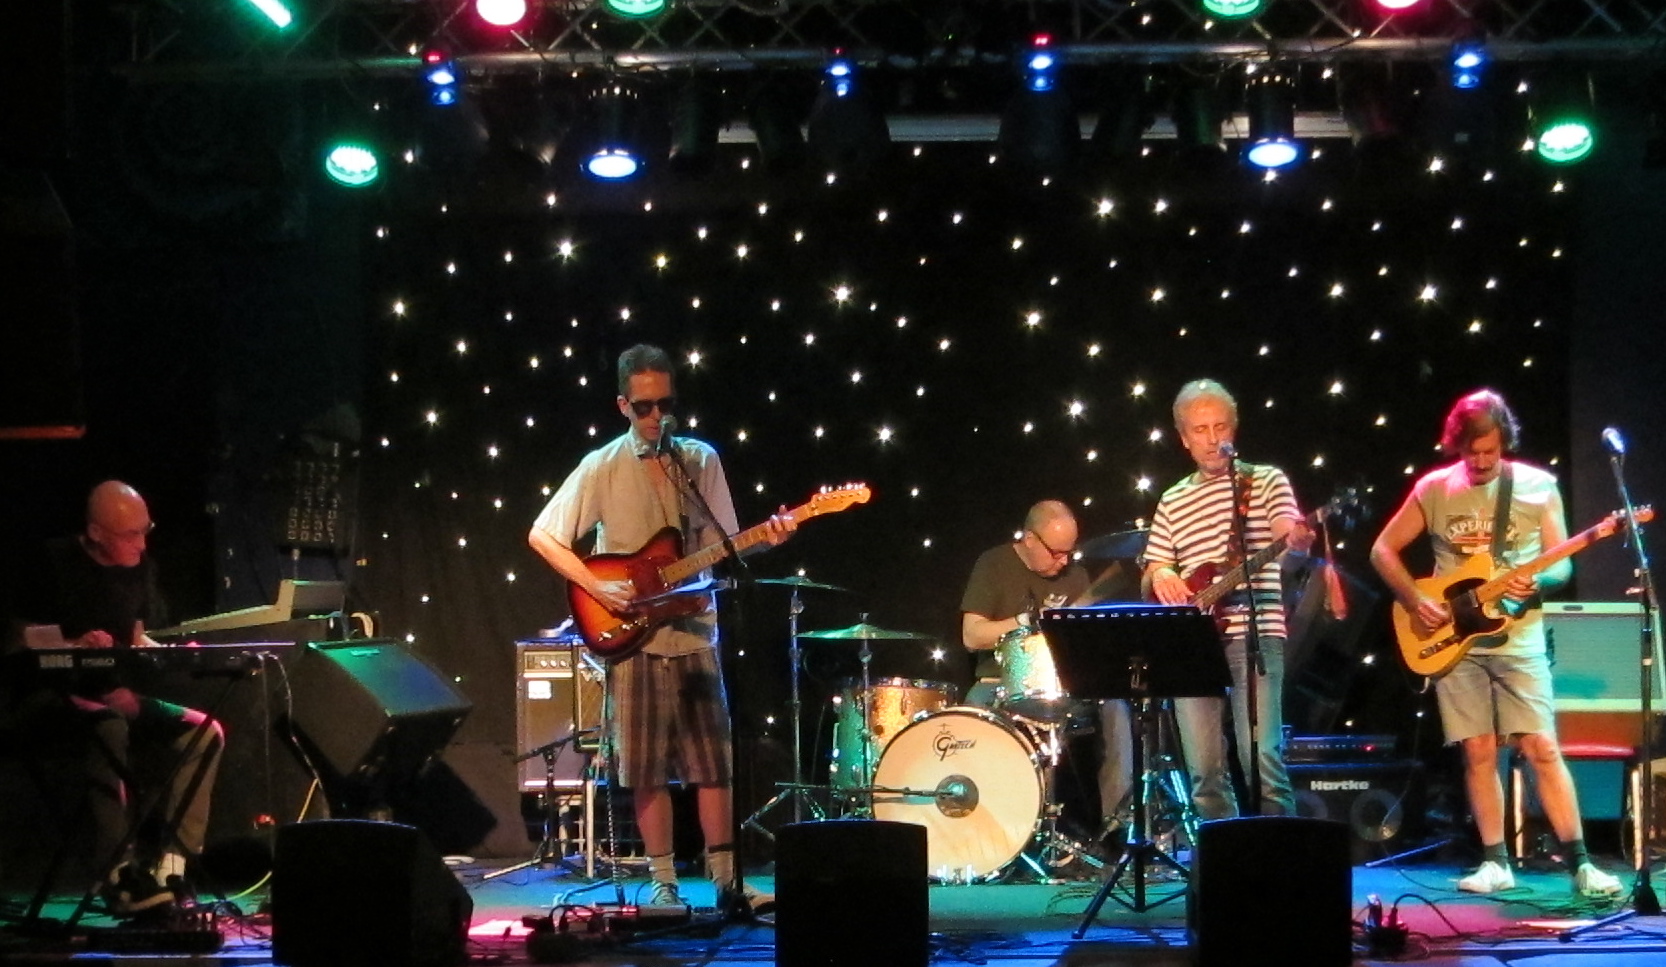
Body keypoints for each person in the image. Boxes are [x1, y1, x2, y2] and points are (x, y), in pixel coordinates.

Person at [528, 344, 794, 914]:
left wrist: (766, 538)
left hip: (694, 629)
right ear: (623, 405)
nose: (656, 417)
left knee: (713, 765)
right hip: (632, 637)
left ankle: (727, 882)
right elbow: (543, 535)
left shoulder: (700, 460)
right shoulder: (601, 465)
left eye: (666, 405)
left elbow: (723, 545)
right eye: (644, 406)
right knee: (645, 768)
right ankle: (663, 883)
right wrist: (599, 588)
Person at [1369, 389, 1623, 897]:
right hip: (1453, 639)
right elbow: (1382, 550)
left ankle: (1581, 865)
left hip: (1518, 636)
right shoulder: (1434, 488)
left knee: (1541, 746)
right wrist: (1414, 599)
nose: (1483, 461)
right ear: (1456, 445)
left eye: (1491, 450)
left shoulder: (1538, 485)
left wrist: (1540, 581)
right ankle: (1494, 862)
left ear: (1504, 441)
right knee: (1478, 750)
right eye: (1473, 452)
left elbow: (1561, 563)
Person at [19, 480, 225, 916]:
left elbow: (136, 636)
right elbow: (20, 640)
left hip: (113, 695)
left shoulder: (140, 567)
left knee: (206, 733)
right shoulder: (51, 562)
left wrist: (169, 653)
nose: (142, 544)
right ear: (95, 533)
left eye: (145, 530)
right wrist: (74, 645)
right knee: (108, 724)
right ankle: (116, 873)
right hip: (46, 698)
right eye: (131, 534)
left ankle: (173, 866)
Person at [1144, 379, 1310, 820]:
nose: (1212, 438)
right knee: (1203, 771)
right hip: (1195, 644)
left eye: (1220, 427)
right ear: (1184, 438)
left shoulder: (1266, 479)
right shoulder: (1172, 499)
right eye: (1200, 430)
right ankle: (1226, 855)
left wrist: (1295, 543)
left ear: (1234, 430)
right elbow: (1154, 566)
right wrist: (1162, 573)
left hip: (1256, 633)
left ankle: (1281, 851)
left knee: (1263, 757)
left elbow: (1286, 540)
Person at [959, 500, 1132, 841]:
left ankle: (1114, 828)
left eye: (1069, 552)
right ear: (1030, 540)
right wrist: (1026, 621)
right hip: (1000, 682)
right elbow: (971, 636)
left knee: (1117, 707)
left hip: (1063, 685)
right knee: (972, 713)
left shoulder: (1075, 575)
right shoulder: (993, 564)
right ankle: (982, 833)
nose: (1064, 561)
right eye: (1056, 553)